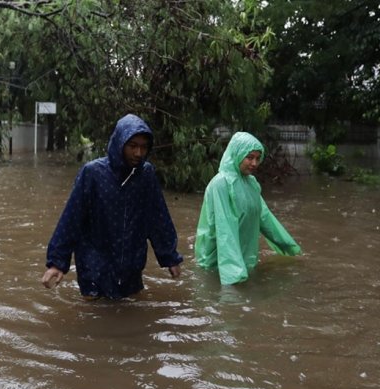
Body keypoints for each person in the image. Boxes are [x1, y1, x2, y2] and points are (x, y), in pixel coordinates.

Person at [42, 114, 182, 299]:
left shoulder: (146, 175)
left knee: (130, 314)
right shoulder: (92, 173)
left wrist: (169, 257)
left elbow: (158, 218)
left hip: (131, 267)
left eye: (143, 147)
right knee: (95, 315)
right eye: (133, 146)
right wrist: (57, 263)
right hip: (94, 266)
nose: (138, 153)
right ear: (119, 144)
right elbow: (71, 218)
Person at [194, 132, 301, 285]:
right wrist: (233, 274)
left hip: (242, 258)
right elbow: (225, 228)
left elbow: (264, 217)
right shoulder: (221, 184)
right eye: (249, 157)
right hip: (216, 262)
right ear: (237, 154)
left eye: (258, 158)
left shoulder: (251, 184)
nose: (254, 163)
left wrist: (289, 246)